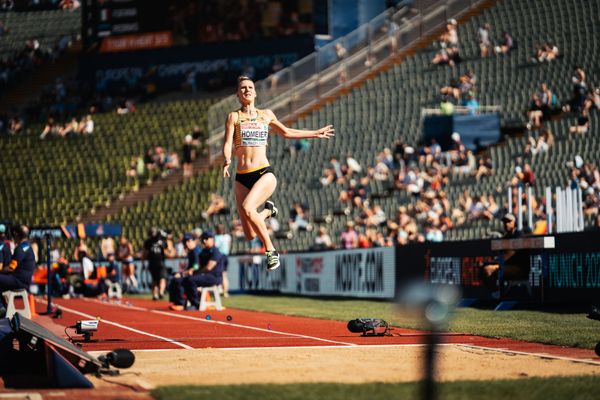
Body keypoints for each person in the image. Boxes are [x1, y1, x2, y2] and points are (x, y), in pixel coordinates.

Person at [222, 76, 334, 270]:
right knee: (249, 234)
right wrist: (227, 160)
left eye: (250, 87)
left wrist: (314, 133)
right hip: (242, 177)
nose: (247, 90)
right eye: (243, 89)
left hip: (264, 173)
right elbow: (227, 143)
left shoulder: (266, 115)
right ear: (238, 95)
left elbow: (287, 132)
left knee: (249, 209)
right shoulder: (234, 117)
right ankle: (267, 211)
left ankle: (271, 251)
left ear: (255, 93)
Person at [169, 230, 225, 310]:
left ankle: (196, 304)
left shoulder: (215, 251)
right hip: (205, 275)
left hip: (214, 276)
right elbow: (198, 265)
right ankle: (182, 302)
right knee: (182, 280)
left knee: (190, 280)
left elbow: (208, 267)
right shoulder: (204, 251)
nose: (204, 241)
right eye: (203, 239)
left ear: (212, 239)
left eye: (206, 238)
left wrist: (195, 272)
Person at [480, 213, 529, 293]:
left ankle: (498, 292)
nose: (506, 224)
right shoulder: (505, 237)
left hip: (519, 268)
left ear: (514, 222)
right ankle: (498, 292)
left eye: (509, 221)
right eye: (504, 222)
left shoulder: (519, 235)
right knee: (483, 269)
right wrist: (489, 262)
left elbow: (509, 255)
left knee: (487, 269)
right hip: (507, 265)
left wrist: (493, 263)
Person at [0, 225, 35, 318]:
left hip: (19, 281)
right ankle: (3, 307)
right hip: (23, 280)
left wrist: (2, 271)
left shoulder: (20, 249)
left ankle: (1, 308)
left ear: (16, 235)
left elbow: (11, 267)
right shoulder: (27, 246)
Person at [143, 227, 167, 300]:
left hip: (156, 262)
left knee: (158, 279)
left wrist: (143, 262)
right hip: (156, 262)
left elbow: (145, 253)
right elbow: (145, 252)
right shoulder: (151, 241)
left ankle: (158, 293)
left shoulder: (151, 241)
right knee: (159, 279)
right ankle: (158, 293)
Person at [214, 224, 231, 297]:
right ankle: (225, 292)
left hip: (219, 257)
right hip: (226, 256)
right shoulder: (227, 237)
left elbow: (215, 247)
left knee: (219, 273)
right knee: (224, 274)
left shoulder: (216, 237)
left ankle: (220, 289)